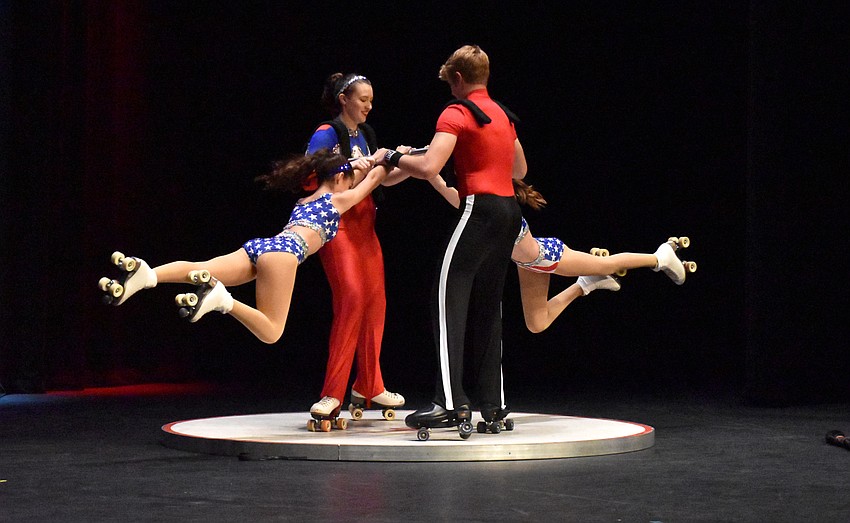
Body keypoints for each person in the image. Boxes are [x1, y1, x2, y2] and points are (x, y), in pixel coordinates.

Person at [376, 45, 526, 431]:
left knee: (446, 300)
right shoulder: (503, 115)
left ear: (457, 79)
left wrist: (391, 157)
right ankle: (493, 405)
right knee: (489, 308)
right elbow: (520, 168)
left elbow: (429, 166)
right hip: (509, 213)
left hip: (478, 210)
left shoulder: (456, 112)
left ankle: (448, 402)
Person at [97, 149, 390, 345]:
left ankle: (148, 275)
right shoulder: (338, 201)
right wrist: (386, 157)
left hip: (263, 245)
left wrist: (355, 164)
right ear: (340, 179)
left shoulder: (305, 200)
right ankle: (223, 301)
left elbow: (354, 176)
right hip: (285, 253)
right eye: (348, 181)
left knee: (202, 267)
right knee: (272, 331)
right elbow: (375, 178)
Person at [428, 175, 695, 333]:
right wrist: (424, 169)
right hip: (529, 264)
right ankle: (584, 285)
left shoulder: (500, 207)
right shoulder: (479, 207)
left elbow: (452, 192)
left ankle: (660, 257)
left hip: (548, 254)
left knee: (607, 264)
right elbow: (448, 191)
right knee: (537, 323)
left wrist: (419, 166)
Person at [304, 73, 404, 420]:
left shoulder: (367, 134)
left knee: (376, 301)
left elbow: (382, 177)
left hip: (367, 226)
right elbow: (308, 176)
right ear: (344, 98)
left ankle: (369, 386)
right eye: (363, 99)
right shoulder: (326, 133)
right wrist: (351, 165)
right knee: (352, 299)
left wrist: (404, 163)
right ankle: (332, 393)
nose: (369, 106)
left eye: (372, 100)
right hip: (339, 224)